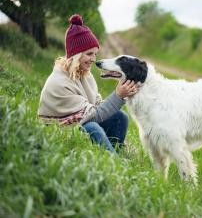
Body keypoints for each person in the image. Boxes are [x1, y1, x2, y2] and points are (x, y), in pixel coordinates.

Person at [38, 14, 138, 153]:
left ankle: (116, 152)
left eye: (95, 54)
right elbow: (94, 116)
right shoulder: (59, 83)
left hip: (79, 124)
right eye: (89, 54)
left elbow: (97, 105)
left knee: (120, 117)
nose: (93, 59)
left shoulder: (85, 75)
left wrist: (120, 96)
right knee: (92, 128)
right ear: (76, 54)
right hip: (61, 131)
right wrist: (118, 96)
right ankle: (114, 164)